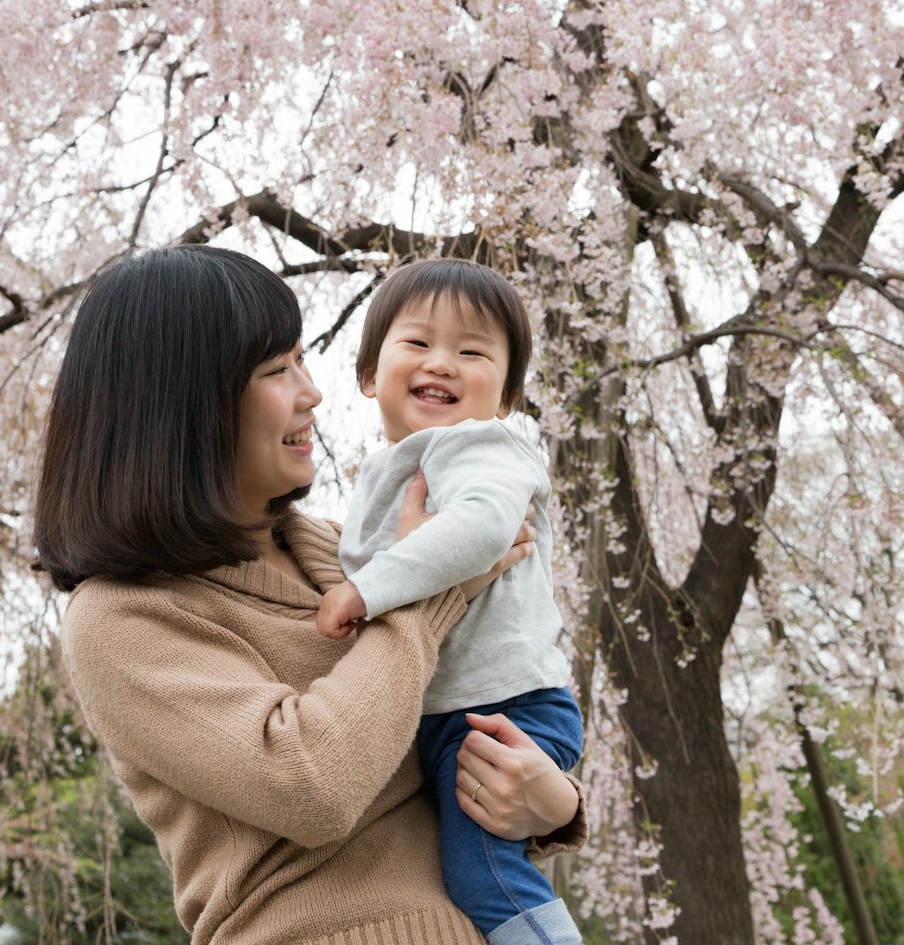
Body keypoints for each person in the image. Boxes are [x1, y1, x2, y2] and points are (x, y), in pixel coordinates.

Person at [34, 245, 586, 945]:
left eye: (302, 361)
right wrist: (429, 589)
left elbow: (466, 711)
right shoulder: (124, 620)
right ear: (185, 405)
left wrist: (552, 800)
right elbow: (311, 787)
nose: (312, 392)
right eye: (277, 370)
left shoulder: (343, 552)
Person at [314, 259, 583, 945]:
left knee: (483, 875)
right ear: (370, 374)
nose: (443, 363)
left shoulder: (482, 443)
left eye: (471, 351)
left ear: (508, 397)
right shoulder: (392, 467)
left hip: (503, 706)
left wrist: (369, 589)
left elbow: (483, 531)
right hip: (451, 712)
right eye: (417, 343)